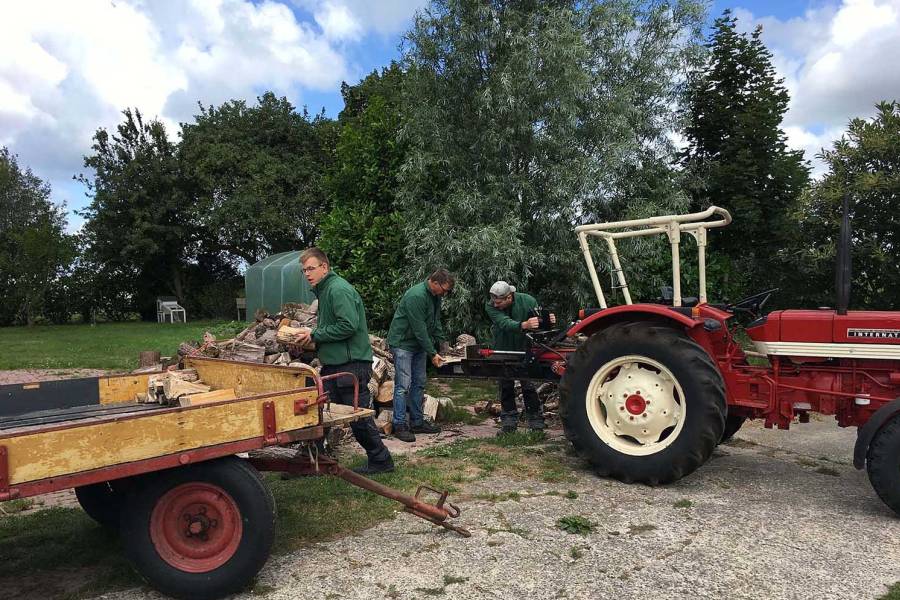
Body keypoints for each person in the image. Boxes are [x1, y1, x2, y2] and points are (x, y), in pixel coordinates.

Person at [293, 248, 394, 475]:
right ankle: (310, 461)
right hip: (336, 364)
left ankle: (381, 460)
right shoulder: (326, 290)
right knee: (318, 411)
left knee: (357, 418)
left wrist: (315, 335)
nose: (307, 274)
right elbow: (336, 326)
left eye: (311, 268)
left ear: (324, 267)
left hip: (351, 365)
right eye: (304, 270)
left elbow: (348, 326)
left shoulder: (338, 289)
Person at [386, 269, 455, 442]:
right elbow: (419, 329)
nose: (445, 294)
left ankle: (417, 422)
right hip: (403, 344)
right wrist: (433, 353)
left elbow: (435, 322)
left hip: (418, 344)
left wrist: (443, 343)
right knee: (403, 385)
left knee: (419, 383)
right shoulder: (416, 296)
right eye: (444, 290)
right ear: (435, 283)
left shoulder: (435, 296)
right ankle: (399, 424)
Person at [485, 281, 556, 435]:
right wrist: (524, 325)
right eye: (494, 302)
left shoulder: (528, 301)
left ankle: (536, 422)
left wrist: (547, 320)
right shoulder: (490, 305)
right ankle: (508, 423)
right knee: (505, 385)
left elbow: (539, 325)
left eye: (499, 302)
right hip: (502, 348)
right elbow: (504, 323)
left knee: (528, 385)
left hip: (525, 349)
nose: (495, 306)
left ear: (509, 297)